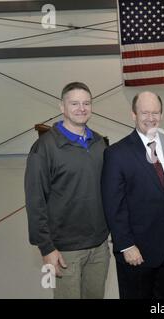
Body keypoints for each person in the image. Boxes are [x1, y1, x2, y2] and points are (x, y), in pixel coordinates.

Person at [101, 91, 164, 299]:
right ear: (133, 115)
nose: (150, 118)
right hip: (136, 250)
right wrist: (126, 245)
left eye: (155, 113)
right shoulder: (116, 154)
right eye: (144, 112)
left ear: (161, 115)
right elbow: (113, 205)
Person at [24, 82, 110, 299]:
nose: (81, 108)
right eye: (74, 103)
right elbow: (35, 201)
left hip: (99, 246)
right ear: (62, 107)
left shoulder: (100, 143)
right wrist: (46, 247)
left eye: (86, 103)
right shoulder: (44, 148)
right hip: (65, 250)